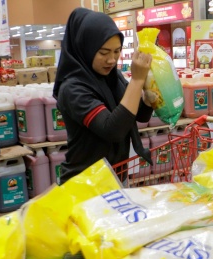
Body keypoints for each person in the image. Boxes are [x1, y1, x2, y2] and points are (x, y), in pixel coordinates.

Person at [53, 8, 154, 184]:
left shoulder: (113, 77)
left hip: (117, 176)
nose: (111, 60)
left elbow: (136, 116)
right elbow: (113, 130)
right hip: (86, 183)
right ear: (85, 48)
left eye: (117, 51)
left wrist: (146, 100)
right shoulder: (73, 89)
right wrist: (137, 81)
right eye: (103, 52)